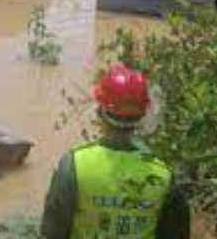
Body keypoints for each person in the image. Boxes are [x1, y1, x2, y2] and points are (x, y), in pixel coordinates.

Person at [41, 65, 190, 238]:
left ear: (99, 113)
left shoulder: (73, 165)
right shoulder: (163, 176)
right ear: (142, 116)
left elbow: (52, 233)